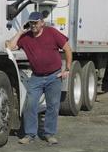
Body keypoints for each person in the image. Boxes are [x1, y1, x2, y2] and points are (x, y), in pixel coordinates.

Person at [5, 11, 72, 145]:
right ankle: (30, 134)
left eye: (36, 22)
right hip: (36, 77)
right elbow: (9, 47)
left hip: (54, 76)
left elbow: (67, 49)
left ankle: (49, 134)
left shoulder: (52, 32)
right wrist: (20, 32)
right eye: (31, 23)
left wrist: (67, 69)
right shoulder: (26, 37)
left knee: (52, 106)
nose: (33, 25)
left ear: (42, 23)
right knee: (30, 105)